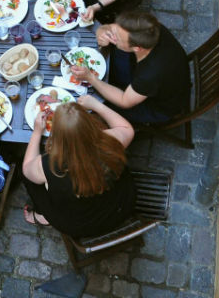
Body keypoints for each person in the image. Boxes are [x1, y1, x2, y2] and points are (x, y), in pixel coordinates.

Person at [22, 95, 135, 236]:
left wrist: (37, 132)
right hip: (120, 205)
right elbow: (126, 128)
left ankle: (42, 216)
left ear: (57, 135)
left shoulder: (49, 165)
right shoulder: (109, 141)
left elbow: (26, 168)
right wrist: (96, 105)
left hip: (82, 224)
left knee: (31, 181)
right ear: (90, 124)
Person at [71, 11, 191, 124]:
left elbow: (124, 101)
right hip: (149, 76)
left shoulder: (149, 74)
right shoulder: (148, 27)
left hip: (158, 107)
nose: (114, 36)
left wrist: (91, 78)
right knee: (117, 53)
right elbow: (113, 27)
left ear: (137, 48)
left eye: (117, 38)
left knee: (100, 102)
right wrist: (102, 30)